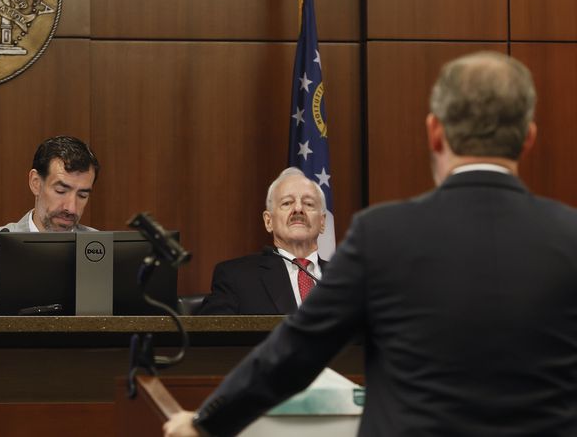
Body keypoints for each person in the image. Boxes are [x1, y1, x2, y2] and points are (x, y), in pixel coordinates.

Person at [164, 51, 577, 437]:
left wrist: (206, 423)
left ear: (435, 133)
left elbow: (296, 352)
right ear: (528, 138)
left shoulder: (383, 235)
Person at [0, 135, 100, 316]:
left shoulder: (101, 248)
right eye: (61, 191)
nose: (71, 208)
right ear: (35, 183)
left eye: (82, 195)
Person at [197, 168, 328, 314]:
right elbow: (210, 333)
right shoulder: (236, 277)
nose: (298, 208)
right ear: (268, 221)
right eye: (287, 203)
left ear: (322, 222)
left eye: (309, 204)